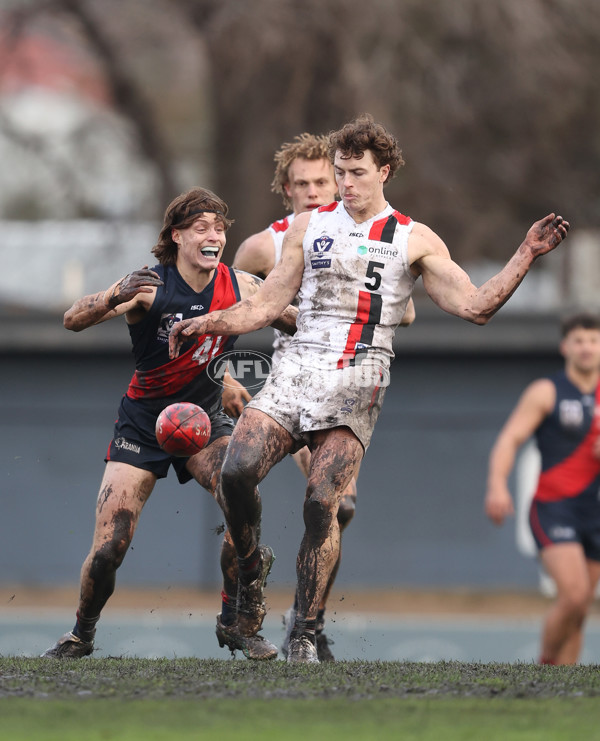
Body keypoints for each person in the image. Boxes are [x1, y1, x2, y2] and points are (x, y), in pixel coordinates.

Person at [169, 114, 570, 663]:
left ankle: (305, 632)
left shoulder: (413, 237)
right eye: (340, 172)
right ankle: (251, 573)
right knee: (237, 470)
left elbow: (475, 307)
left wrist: (525, 253)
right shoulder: (308, 229)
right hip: (297, 370)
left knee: (321, 504)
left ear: (384, 171)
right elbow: (265, 304)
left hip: (360, 378)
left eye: (355, 172)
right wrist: (207, 323)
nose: (345, 183)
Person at [41, 186, 296, 661]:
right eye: (201, 228)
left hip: (204, 420)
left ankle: (235, 618)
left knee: (244, 503)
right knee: (109, 547)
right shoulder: (149, 286)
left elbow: (293, 320)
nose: (213, 235)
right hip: (142, 424)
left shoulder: (242, 285)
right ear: (176, 236)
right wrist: (113, 295)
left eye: (219, 228)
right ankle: (81, 633)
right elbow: (72, 318)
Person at [233, 132, 416, 660]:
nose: (318, 191)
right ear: (285, 189)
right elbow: (235, 305)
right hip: (287, 385)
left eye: (324, 180)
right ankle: (243, 600)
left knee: (337, 507)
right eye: (304, 183)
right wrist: (227, 376)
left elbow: (404, 309)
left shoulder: (364, 234)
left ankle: (306, 622)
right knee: (241, 482)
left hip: (340, 386)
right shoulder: (264, 245)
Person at [485, 313, 600, 665]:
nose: (587, 348)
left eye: (594, 341)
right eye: (579, 341)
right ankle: (546, 667)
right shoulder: (546, 391)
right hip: (554, 507)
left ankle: (561, 693)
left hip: (594, 511)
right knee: (576, 595)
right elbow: (510, 439)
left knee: (578, 610)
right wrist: (497, 486)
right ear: (566, 347)